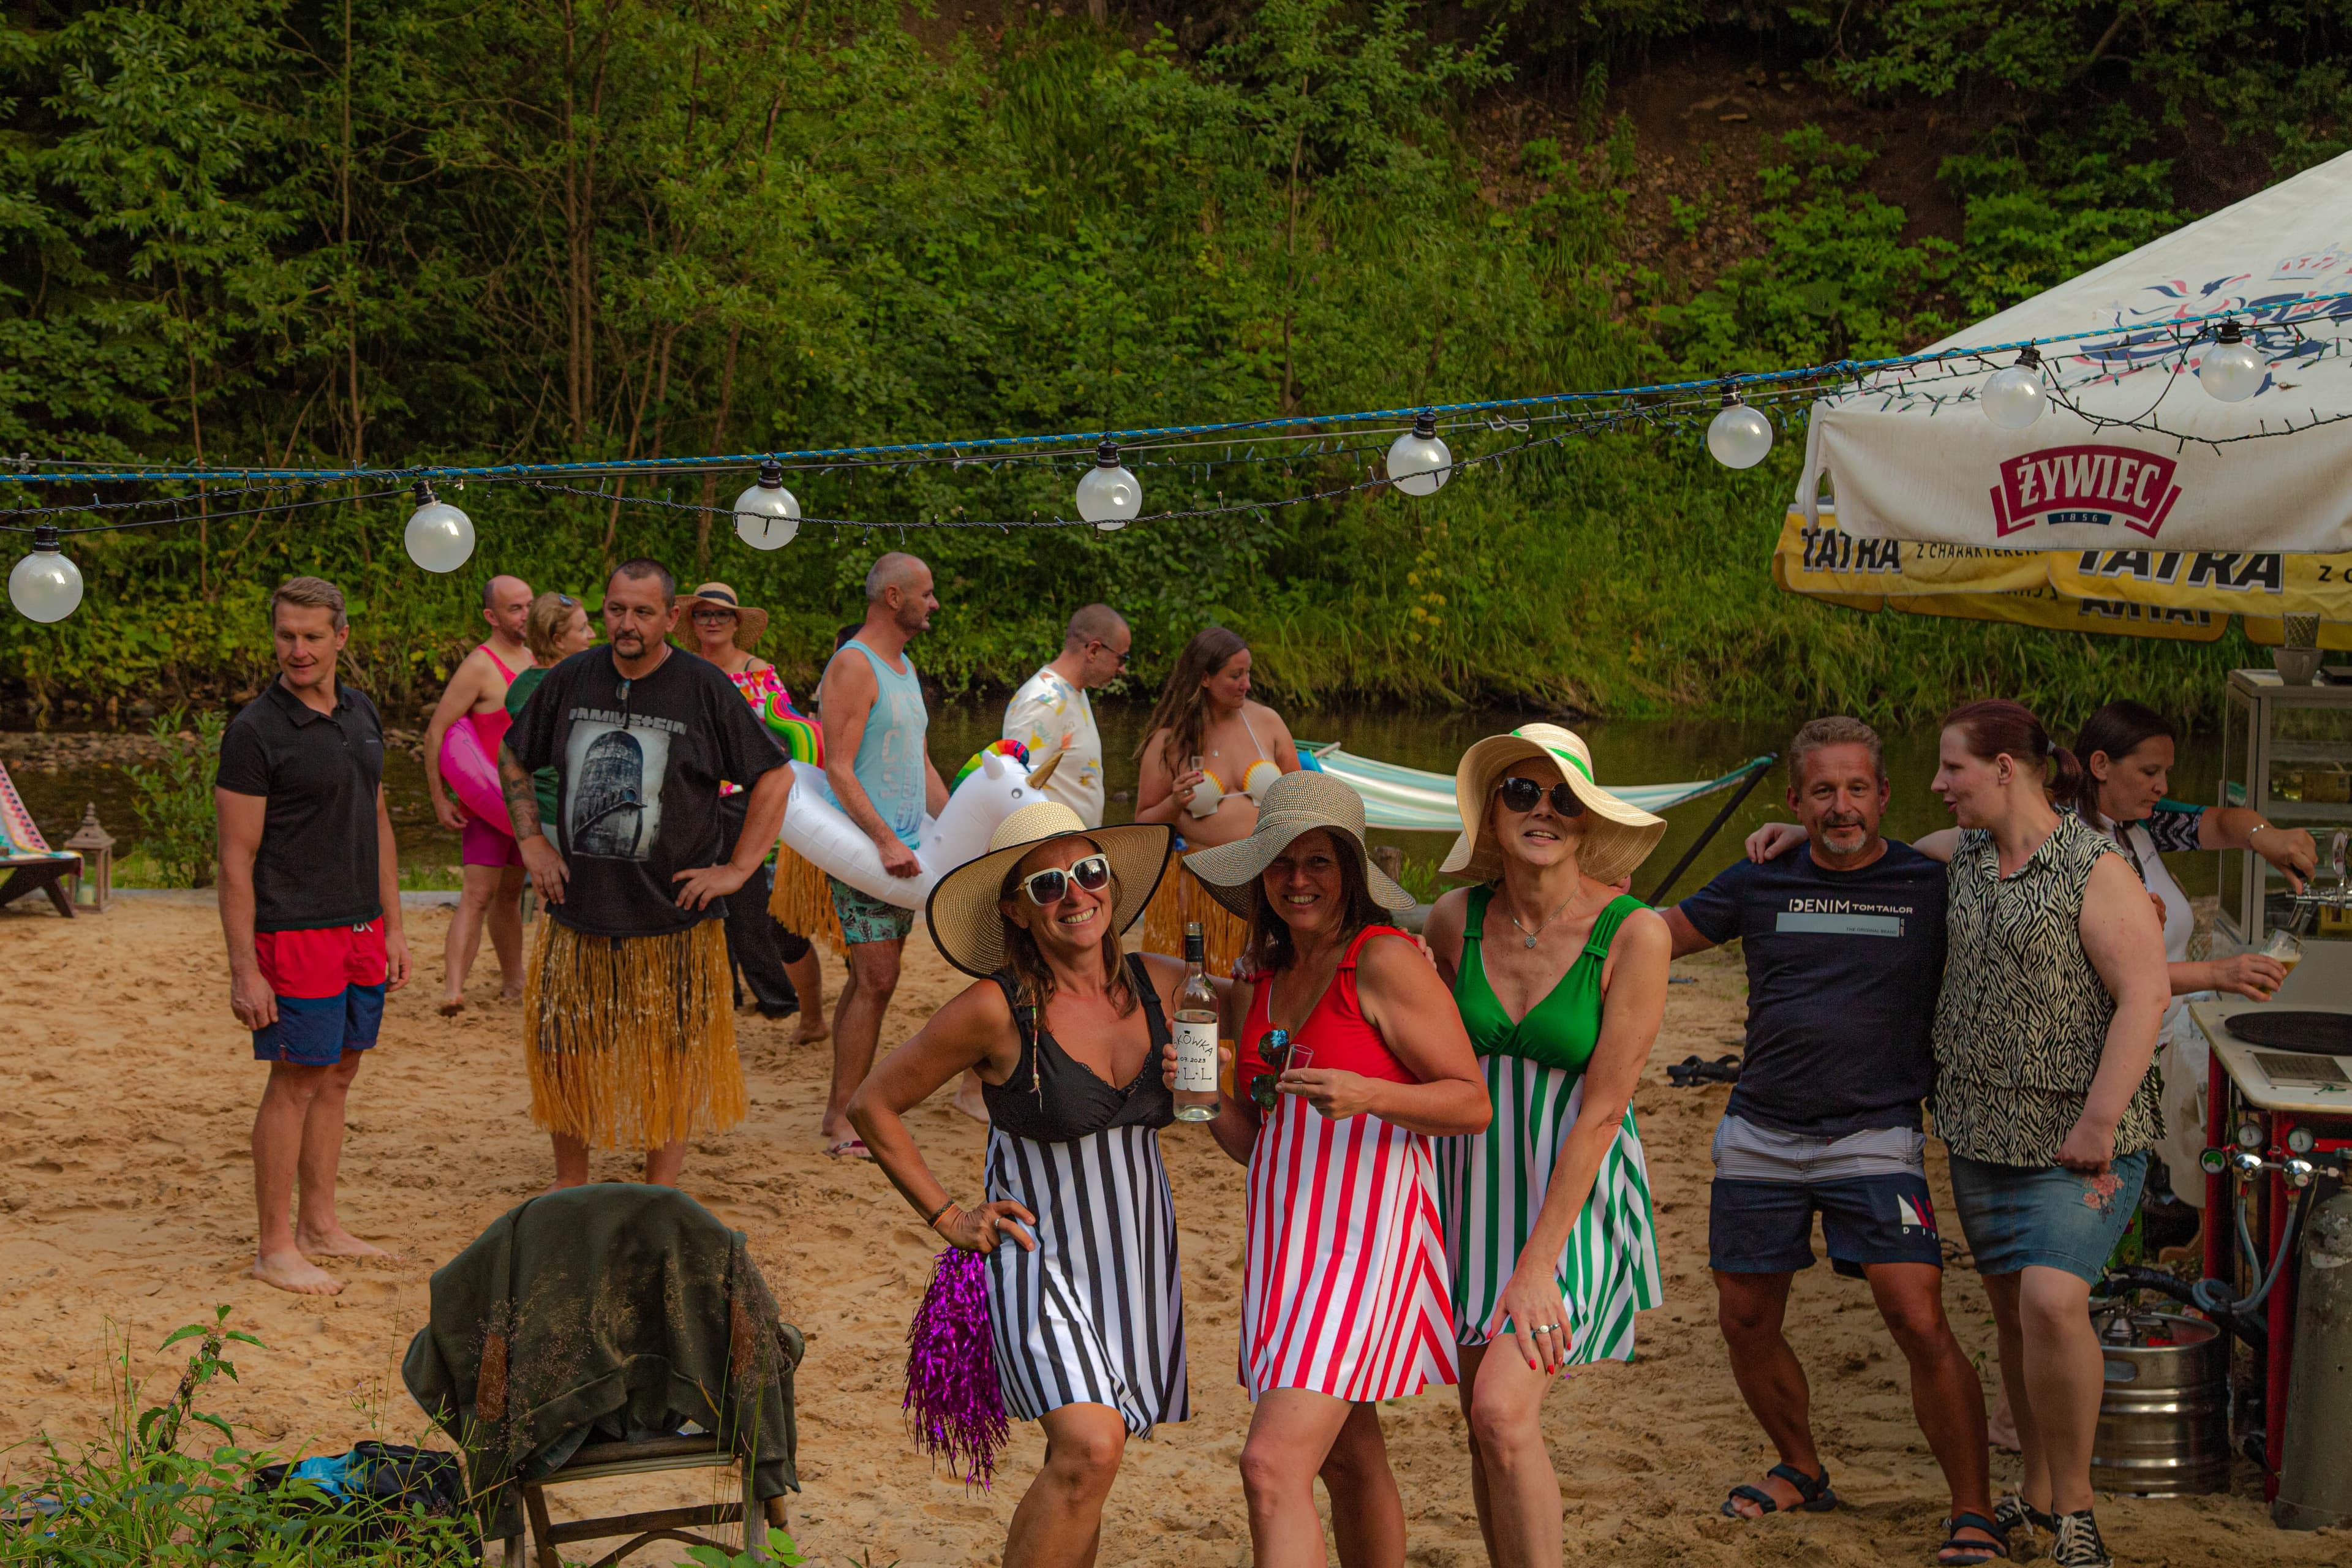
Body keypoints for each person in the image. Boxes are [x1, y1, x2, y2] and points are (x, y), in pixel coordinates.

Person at [1744, 702, 2316, 1213]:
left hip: (2135, 1059)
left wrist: (2270, 836)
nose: (2163, 786)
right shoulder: (2037, 839)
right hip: (2061, 1087)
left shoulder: (2142, 828)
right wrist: (1818, 832)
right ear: (2098, 766)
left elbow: (2222, 823)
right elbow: (1903, 861)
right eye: (2150, 772)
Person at [1665, 718, 2003, 1565]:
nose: (1841, 805)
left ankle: (1973, 1510)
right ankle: (1801, 1466)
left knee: (1917, 1316)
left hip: (1875, 1136)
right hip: (1759, 1133)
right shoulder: (1760, 875)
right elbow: (1659, 935)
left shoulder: (1931, 883)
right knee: (1745, 1319)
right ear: (1795, 801)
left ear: (1886, 796)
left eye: (1857, 788)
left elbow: (2027, 838)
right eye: (1823, 790)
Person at [847, 802, 1185, 1568]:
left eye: (1089, 873)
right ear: (1016, 909)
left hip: (1137, 1260)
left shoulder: (1163, 986)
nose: (1076, 895)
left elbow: (1284, 996)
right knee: (1092, 1448)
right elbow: (873, 1104)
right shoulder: (995, 1009)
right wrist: (948, 1216)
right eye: (1049, 884)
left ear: (1110, 883)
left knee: (1084, 1467)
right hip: (1040, 1255)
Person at [1183, 771, 1490, 1568]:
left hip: (1365, 1241)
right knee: (1349, 1458)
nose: (1296, 881)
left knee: (1271, 1464)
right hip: (1286, 1243)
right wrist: (1198, 1093)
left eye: (1316, 862)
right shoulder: (1262, 978)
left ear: (1350, 874)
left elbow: (1470, 1103)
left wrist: (1370, 1093)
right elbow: (1262, 1141)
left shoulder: (1382, 959)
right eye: (1281, 864)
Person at [1927, 700, 2169, 1568]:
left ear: (2003, 768)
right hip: (1980, 1131)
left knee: (2053, 1302)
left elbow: (2147, 995)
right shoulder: (1964, 856)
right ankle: (2032, 1490)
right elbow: (1867, 861)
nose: (1938, 784)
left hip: (2082, 1139)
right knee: (2016, 1321)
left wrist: (2099, 1122)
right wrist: (1781, 836)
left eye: (1951, 767)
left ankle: (2075, 1511)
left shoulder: (2093, 865)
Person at [1421, 725, 1669, 1568]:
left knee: (1502, 1411)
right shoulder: (1455, 919)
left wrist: (1536, 1265)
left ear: (1587, 820)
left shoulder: (1635, 933)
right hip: (1468, 1193)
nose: (1543, 810)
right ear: (1491, 814)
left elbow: (1604, 1112)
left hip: (1577, 1198)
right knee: (1481, 1422)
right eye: (1521, 793)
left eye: (1564, 798)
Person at [499, 559, 793, 1189]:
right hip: (580, 911)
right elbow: (514, 754)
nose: (626, 624)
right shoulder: (572, 677)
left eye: (642, 612)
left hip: (675, 918)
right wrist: (533, 844)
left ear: (671, 617)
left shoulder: (704, 687)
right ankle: (569, 1185)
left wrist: (738, 868)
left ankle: (660, 1190)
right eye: (615, 610)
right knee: (565, 1052)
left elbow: (777, 773)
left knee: (672, 1061)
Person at [215, 576, 412, 1296]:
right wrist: (245, 969)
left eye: (311, 636)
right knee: (296, 1080)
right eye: (285, 635)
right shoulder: (255, 731)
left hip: (360, 924)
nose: (297, 649)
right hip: (292, 929)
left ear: (341, 638)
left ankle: (320, 1226)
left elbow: (380, 819)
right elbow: (235, 857)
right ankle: (274, 1246)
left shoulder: (361, 711)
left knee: (340, 1072)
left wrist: (392, 925)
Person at [814, 552, 950, 1158]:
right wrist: (883, 839)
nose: (934, 602)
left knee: (872, 981)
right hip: (865, 850)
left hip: (907, 853)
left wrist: (956, 830)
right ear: (894, 597)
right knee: (878, 976)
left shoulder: (903, 665)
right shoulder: (853, 665)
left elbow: (919, 763)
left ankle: (838, 1107)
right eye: (926, 592)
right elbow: (837, 766)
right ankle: (846, 1118)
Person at [676, 581, 829, 1045]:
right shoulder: (684, 670)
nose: (713, 621)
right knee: (698, 892)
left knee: (750, 902)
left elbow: (788, 732)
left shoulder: (759, 672)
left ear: (736, 623)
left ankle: (776, 997)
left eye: (722, 614)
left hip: (746, 792)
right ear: (693, 623)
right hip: (696, 793)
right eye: (704, 614)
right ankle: (722, 994)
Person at [423, 573, 537, 1015]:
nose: (525, 614)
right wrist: (439, 798)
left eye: (528, 605)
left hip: (525, 804)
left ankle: (513, 983)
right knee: (477, 895)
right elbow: (436, 732)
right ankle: (453, 990)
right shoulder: (480, 666)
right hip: (487, 806)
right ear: (492, 616)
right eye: (515, 608)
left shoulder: (536, 659)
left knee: (510, 897)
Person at [1133, 626, 1302, 849]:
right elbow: (1142, 825)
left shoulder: (1268, 722)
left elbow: (1302, 798)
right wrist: (1174, 803)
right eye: (1236, 676)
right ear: (1205, 678)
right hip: (1203, 871)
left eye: (1248, 672)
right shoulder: (1170, 742)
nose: (1247, 685)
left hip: (1269, 864)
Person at [1003, 605, 1131, 827]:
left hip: (1075, 851)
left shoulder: (1075, 693)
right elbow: (1017, 794)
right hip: (1051, 854)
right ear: (1093, 650)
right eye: (1122, 659)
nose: (1123, 670)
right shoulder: (1043, 702)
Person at [502, 589, 598, 846]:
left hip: (538, 815)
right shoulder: (574, 687)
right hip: (566, 817)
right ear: (558, 641)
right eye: (582, 629)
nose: (592, 635)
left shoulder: (521, 684)